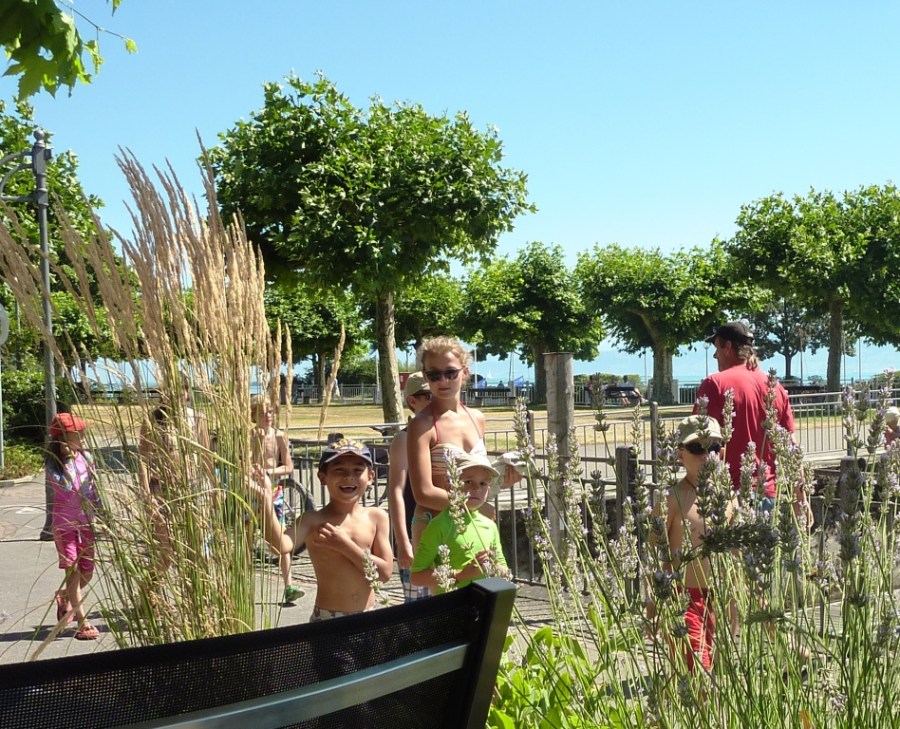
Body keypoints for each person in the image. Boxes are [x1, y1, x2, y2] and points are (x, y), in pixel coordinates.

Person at [647, 415, 733, 672]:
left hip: (720, 597)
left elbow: (736, 552)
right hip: (684, 598)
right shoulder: (672, 498)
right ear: (680, 454)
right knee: (699, 674)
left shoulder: (727, 496)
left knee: (713, 675)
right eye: (697, 447)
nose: (706, 455)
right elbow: (654, 553)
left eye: (713, 447)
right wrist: (653, 604)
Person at [695, 322, 800, 513]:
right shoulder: (775, 387)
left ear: (728, 347)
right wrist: (801, 499)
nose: (715, 355)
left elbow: (697, 441)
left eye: (717, 348)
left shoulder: (714, 384)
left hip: (729, 496)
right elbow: (792, 447)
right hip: (770, 496)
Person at [289, 439, 393, 621]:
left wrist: (344, 545)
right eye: (339, 470)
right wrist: (266, 502)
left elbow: (384, 573)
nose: (348, 477)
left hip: (369, 616)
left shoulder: (377, 517)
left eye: (357, 470)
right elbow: (279, 545)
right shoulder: (312, 520)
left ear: (370, 477)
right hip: (327, 618)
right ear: (322, 477)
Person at [410, 452, 509, 593]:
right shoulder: (440, 525)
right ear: (449, 486)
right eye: (468, 482)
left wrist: (494, 566)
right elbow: (416, 577)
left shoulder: (489, 525)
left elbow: (504, 570)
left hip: (487, 601)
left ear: (489, 489)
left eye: (483, 483)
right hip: (453, 603)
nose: (476, 488)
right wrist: (459, 575)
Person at [47, 413, 101, 640]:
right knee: (74, 570)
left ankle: (65, 596)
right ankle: (82, 621)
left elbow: (93, 486)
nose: (82, 437)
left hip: (86, 521)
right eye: (77, 434)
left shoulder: (87, 457)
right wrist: (68, 461)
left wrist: (100, 510)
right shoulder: (54, 463)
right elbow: (66, 489)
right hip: (65, 524)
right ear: (63, 438)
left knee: (87, 572)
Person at [250, 396, 303, 604]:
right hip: (252, 491)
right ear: (253, 415)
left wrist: (269, 472)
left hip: (273, 491)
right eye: (262, 412)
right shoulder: (250, 435)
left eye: (270, 411)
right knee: (248, 536)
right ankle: (246, 587)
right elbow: (243, 463)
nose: (267, 416)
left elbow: (288, 466)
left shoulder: (279, 436)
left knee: (280, 538)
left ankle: (289, 585)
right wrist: (253, 473)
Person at [388, 372, 433, 602]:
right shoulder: (404, 439)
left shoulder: (446, 433)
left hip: (447, 532)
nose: (435, 400)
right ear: (412, 401)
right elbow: (396, 490)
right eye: (428, 395)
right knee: (418, 606)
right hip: (416, 532)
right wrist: (402, 541)